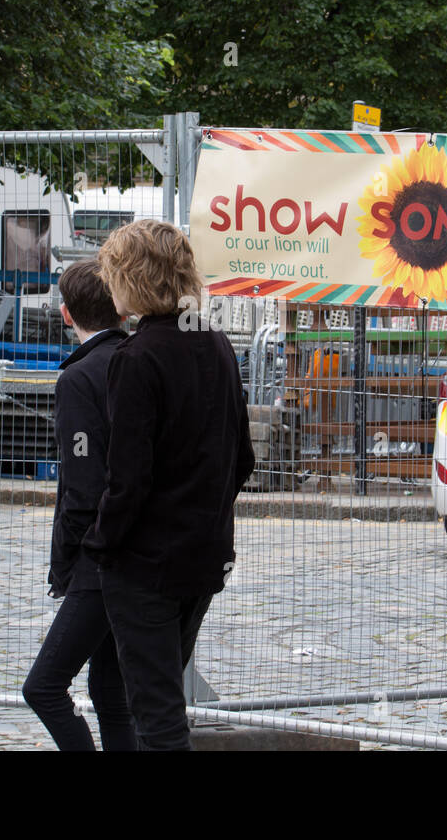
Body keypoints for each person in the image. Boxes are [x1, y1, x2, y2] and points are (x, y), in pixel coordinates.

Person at [82, 220, 255, 751]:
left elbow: (127, 479)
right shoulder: (216, 342)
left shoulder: (136, 358)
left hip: (145, 565)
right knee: (161, 704)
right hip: (203, 558)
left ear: (130, 278)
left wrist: (101, 545)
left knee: (155, 717)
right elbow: (243, 458)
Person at [22, 259, 134, 750]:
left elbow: (82, 487)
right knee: (112, 692)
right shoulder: (136, 359)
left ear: (66, 314)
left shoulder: (79, 378)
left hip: (98, 555)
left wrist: (65, 557)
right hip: (138, 549)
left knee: (44, 687)